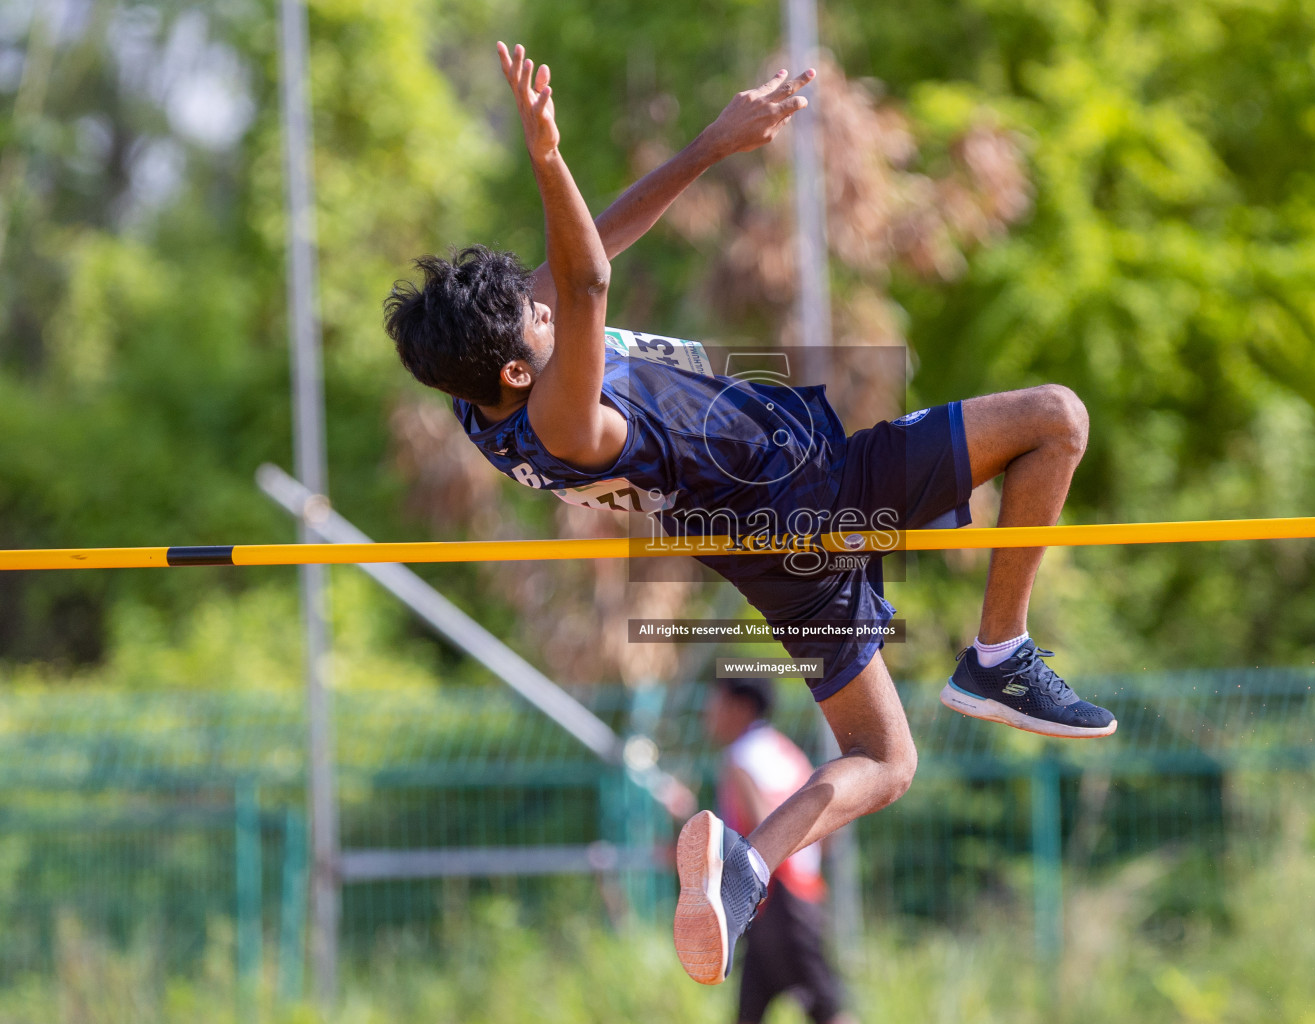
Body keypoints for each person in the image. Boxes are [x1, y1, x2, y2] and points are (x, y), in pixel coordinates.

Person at [384, 42, 1111, 985]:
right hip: (814, 494)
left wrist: (709, 147)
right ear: (520, 373)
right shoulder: (563, 419)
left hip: (762, 542)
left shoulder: (479, 386)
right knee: (1056, 420)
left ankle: (746, 865)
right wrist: (545, 153)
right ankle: (1000, 656)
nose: (549, 305)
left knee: (885, 760)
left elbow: (582, 261)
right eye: (538, 319)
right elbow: (592, 278)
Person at [705, 678, 855, 1024]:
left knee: (827, 1009)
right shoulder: (784, 750)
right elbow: (828, 823)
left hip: (775, 895)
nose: (706, 713)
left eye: (714, 702)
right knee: (751, 1010)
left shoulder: (741, 758)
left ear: (739, 708)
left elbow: (763, 825)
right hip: (794, 891)